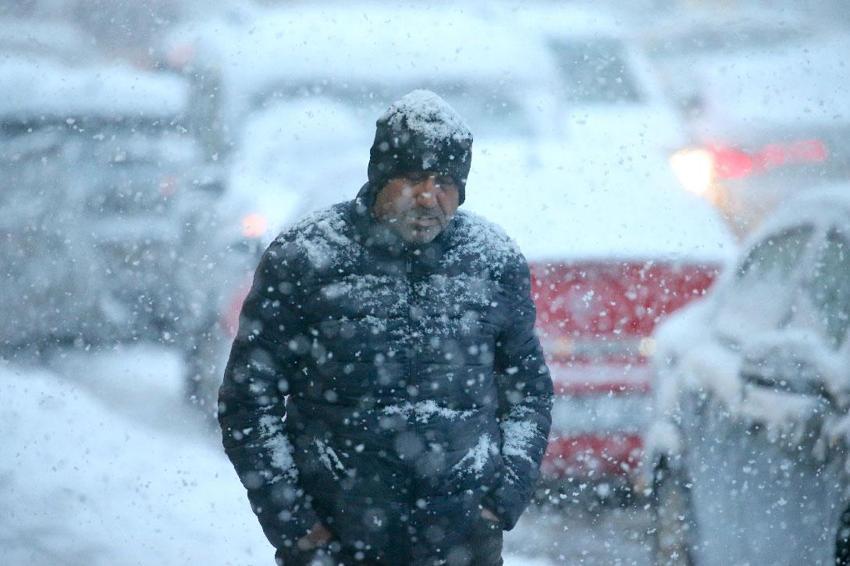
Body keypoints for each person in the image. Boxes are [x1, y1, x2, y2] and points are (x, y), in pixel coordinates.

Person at [218, 89, 553, 566]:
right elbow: (248, 401)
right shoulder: (306, 258)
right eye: (412, 177)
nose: (428, 196)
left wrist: (501, 500)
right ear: (379, 178)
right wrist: (295, 523)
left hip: (462, 544)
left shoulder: (492, 261)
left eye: (444, 181)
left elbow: (529, 392)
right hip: (336, 542)